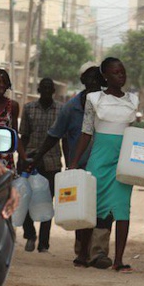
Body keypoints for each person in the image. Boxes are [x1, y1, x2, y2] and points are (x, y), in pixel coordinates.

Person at [28, 62, 113, 269]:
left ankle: (99, 252)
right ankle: (83, 252)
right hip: (80, 169)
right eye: (89, 77)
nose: (94, 81)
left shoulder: (110, 104)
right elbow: (53, 136)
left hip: (106, 166)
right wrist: (36, 158)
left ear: (103, 80)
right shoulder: (71, 108)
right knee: (81, 211)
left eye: (97, 77)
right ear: (82, 81)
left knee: (104, 211)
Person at [70, 57, 139, 273]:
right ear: (106, 76)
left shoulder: (133, 100)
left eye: (123, 72)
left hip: (123, 162)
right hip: (99, 159)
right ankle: (83, 254)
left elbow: (135, 132)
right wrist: (73, 162)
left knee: (122, 208)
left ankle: (118, 259)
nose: (121, 76)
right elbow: (86, 132)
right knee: (91, 206)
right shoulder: (93, 98)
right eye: (116, 72)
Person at [19, 78, 61, 253]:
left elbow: (63, 138)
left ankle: (44, 243)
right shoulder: (29, 109)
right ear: (38, 89)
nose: (45, 90)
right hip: (30, 160)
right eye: (42, 87)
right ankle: (30, 234)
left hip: (52, 162)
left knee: (47, 203)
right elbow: (24, 137)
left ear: (53, 90)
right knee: (26, 199)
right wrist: (21, 159)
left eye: (48, 88)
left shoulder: (61, 110)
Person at [0, 68, 23, 171]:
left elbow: (15, 133)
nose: (2, 85)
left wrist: (24, 157)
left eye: (5, 82)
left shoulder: (12, 106)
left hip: (5, 159)